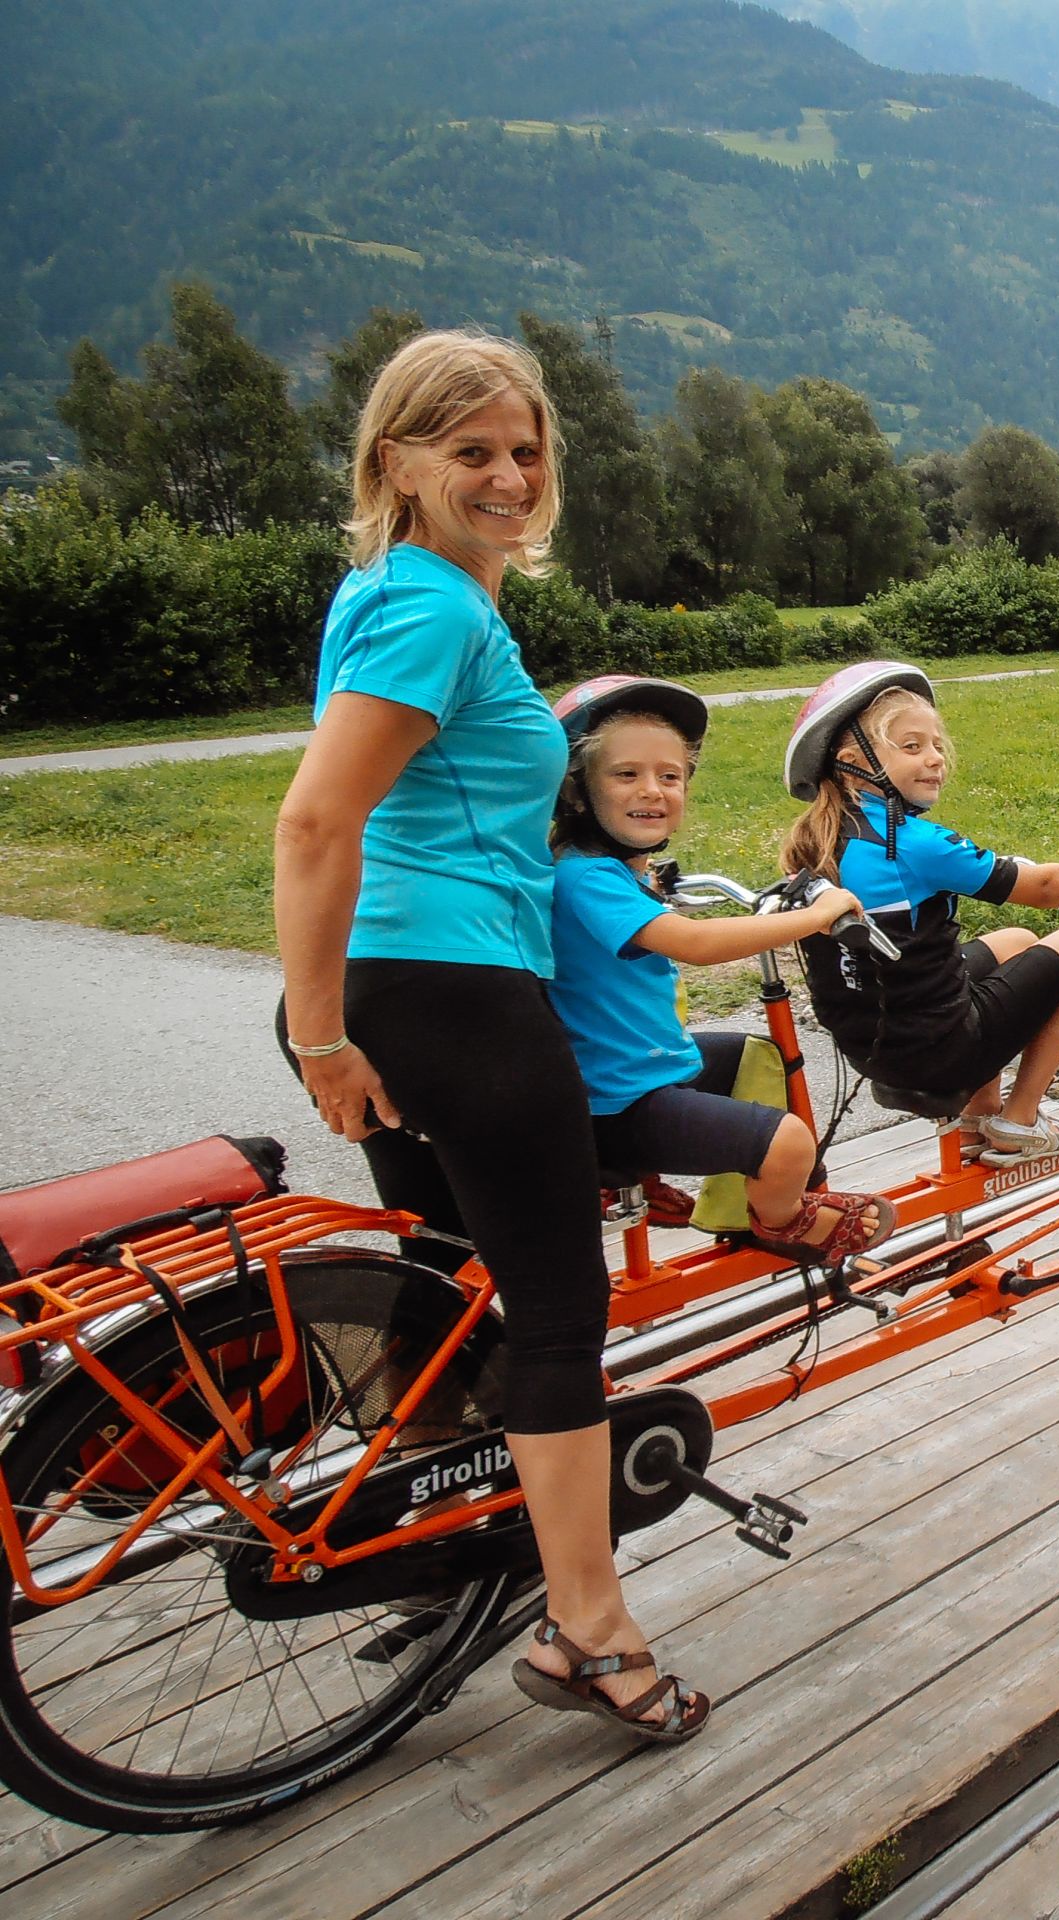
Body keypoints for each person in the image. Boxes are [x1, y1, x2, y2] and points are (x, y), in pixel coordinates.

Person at [272, 330, 705, 1744]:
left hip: (408, 988)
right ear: (397, 462)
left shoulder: (401, 590)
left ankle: (443, 1549)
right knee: (556, 1319)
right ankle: (592, 1632)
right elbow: (316, 822)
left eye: (525, 450)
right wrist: (328, 1036)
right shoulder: (435, 614)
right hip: (445, 994)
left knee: (452, 1296)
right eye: (472, 453)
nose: (511, 475)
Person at [545, 674, 894, 1264]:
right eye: (626, 775)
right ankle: (781, 1220)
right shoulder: (586, 878)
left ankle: (678, 1189)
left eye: (670, 776)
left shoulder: (598, 870)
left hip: (635, 1069)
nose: (652, 789)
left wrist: (652, 887)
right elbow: (694, 944)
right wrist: (818, 914)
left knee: (750, 1056)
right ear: (577, 791)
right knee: (788, 1143)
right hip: (617, 1101)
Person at [778, 660, 1059, 1162]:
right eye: (911, 747)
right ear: (850, 761)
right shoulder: (910, 843)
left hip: (875, 1044)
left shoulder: (823, 838)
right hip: (935, 1052)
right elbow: (1043, 886)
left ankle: (978, 1118)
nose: (934, 759)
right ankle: (1020, 1119)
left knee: (1015, 940)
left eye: (935, 745)